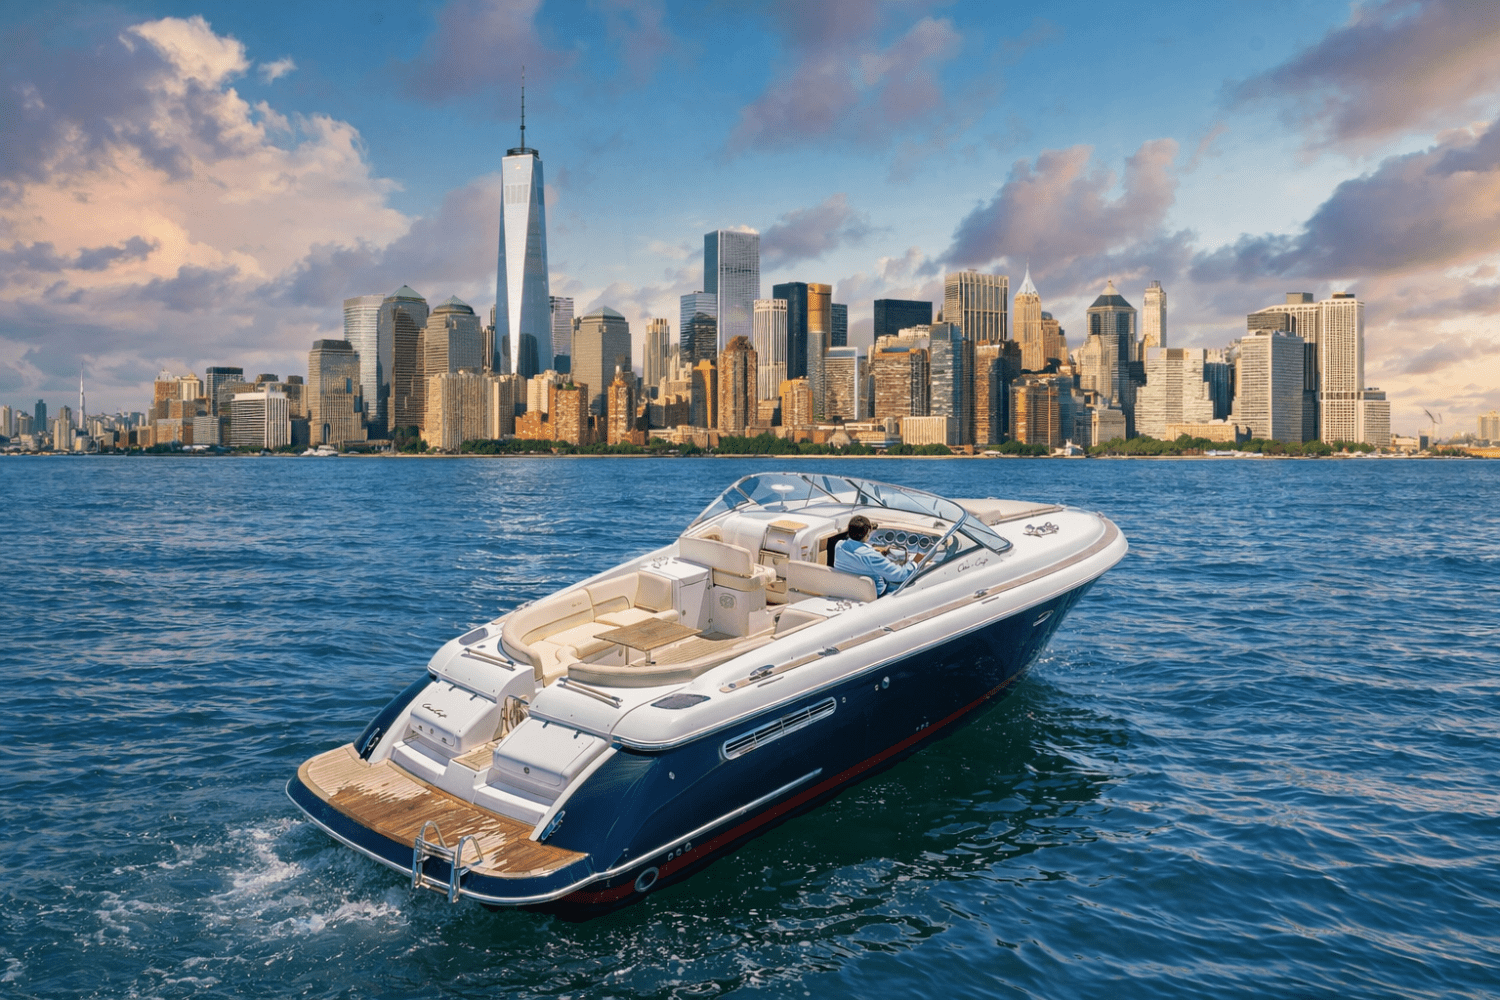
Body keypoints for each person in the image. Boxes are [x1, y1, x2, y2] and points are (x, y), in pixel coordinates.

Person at [833, 514, 916, 597]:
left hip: (847, 589)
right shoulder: (872, 556)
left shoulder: (839, 546)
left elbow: (857, 554)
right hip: (874, 594)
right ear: (868, 533)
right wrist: (914, 563)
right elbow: (900, 575)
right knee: (909, 585)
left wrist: (875, 551)